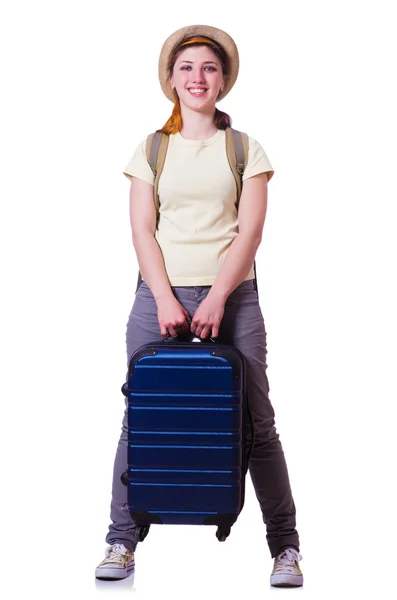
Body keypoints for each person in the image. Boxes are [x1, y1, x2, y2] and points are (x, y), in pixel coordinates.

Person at [95, 24, 303, 588]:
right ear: (170, 80)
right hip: (155, 296)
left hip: (234, 299)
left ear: (224, 80)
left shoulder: (245, 149)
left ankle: (285, 549)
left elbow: (250, 233)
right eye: (186, 68)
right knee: (140, 417)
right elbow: (142, 230)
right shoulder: (152, 148)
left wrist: (215, 297)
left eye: (209, 68)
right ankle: (120, 542)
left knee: (257, 423)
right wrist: (164, 296)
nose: (197, 78)